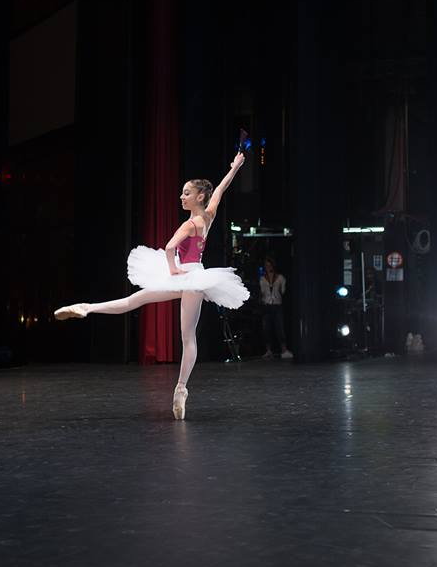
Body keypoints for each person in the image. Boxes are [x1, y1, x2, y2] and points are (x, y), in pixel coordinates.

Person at [54, 152, 250, 420]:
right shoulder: (208, 217)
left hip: (183, 275)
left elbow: (170, 247)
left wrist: (172, 270)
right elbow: (221, 189)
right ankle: (181, 388)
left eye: (186, 193)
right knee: (188, 337)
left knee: (135, 300)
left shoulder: (189, 224)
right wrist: (235, 167)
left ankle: (87, 307)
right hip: (196, 276)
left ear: (199, 197)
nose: (181, 197)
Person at [259, 256, 293, 359]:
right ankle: (268, 350)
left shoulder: (280, 278)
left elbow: (283, 291)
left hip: (277, 305)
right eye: (266, 265)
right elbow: (262, 292)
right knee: (266, 329)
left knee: (280, 328)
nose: (268, 267)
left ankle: (284, 350)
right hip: (267, 306)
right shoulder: (262, 279)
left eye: (269, 265)